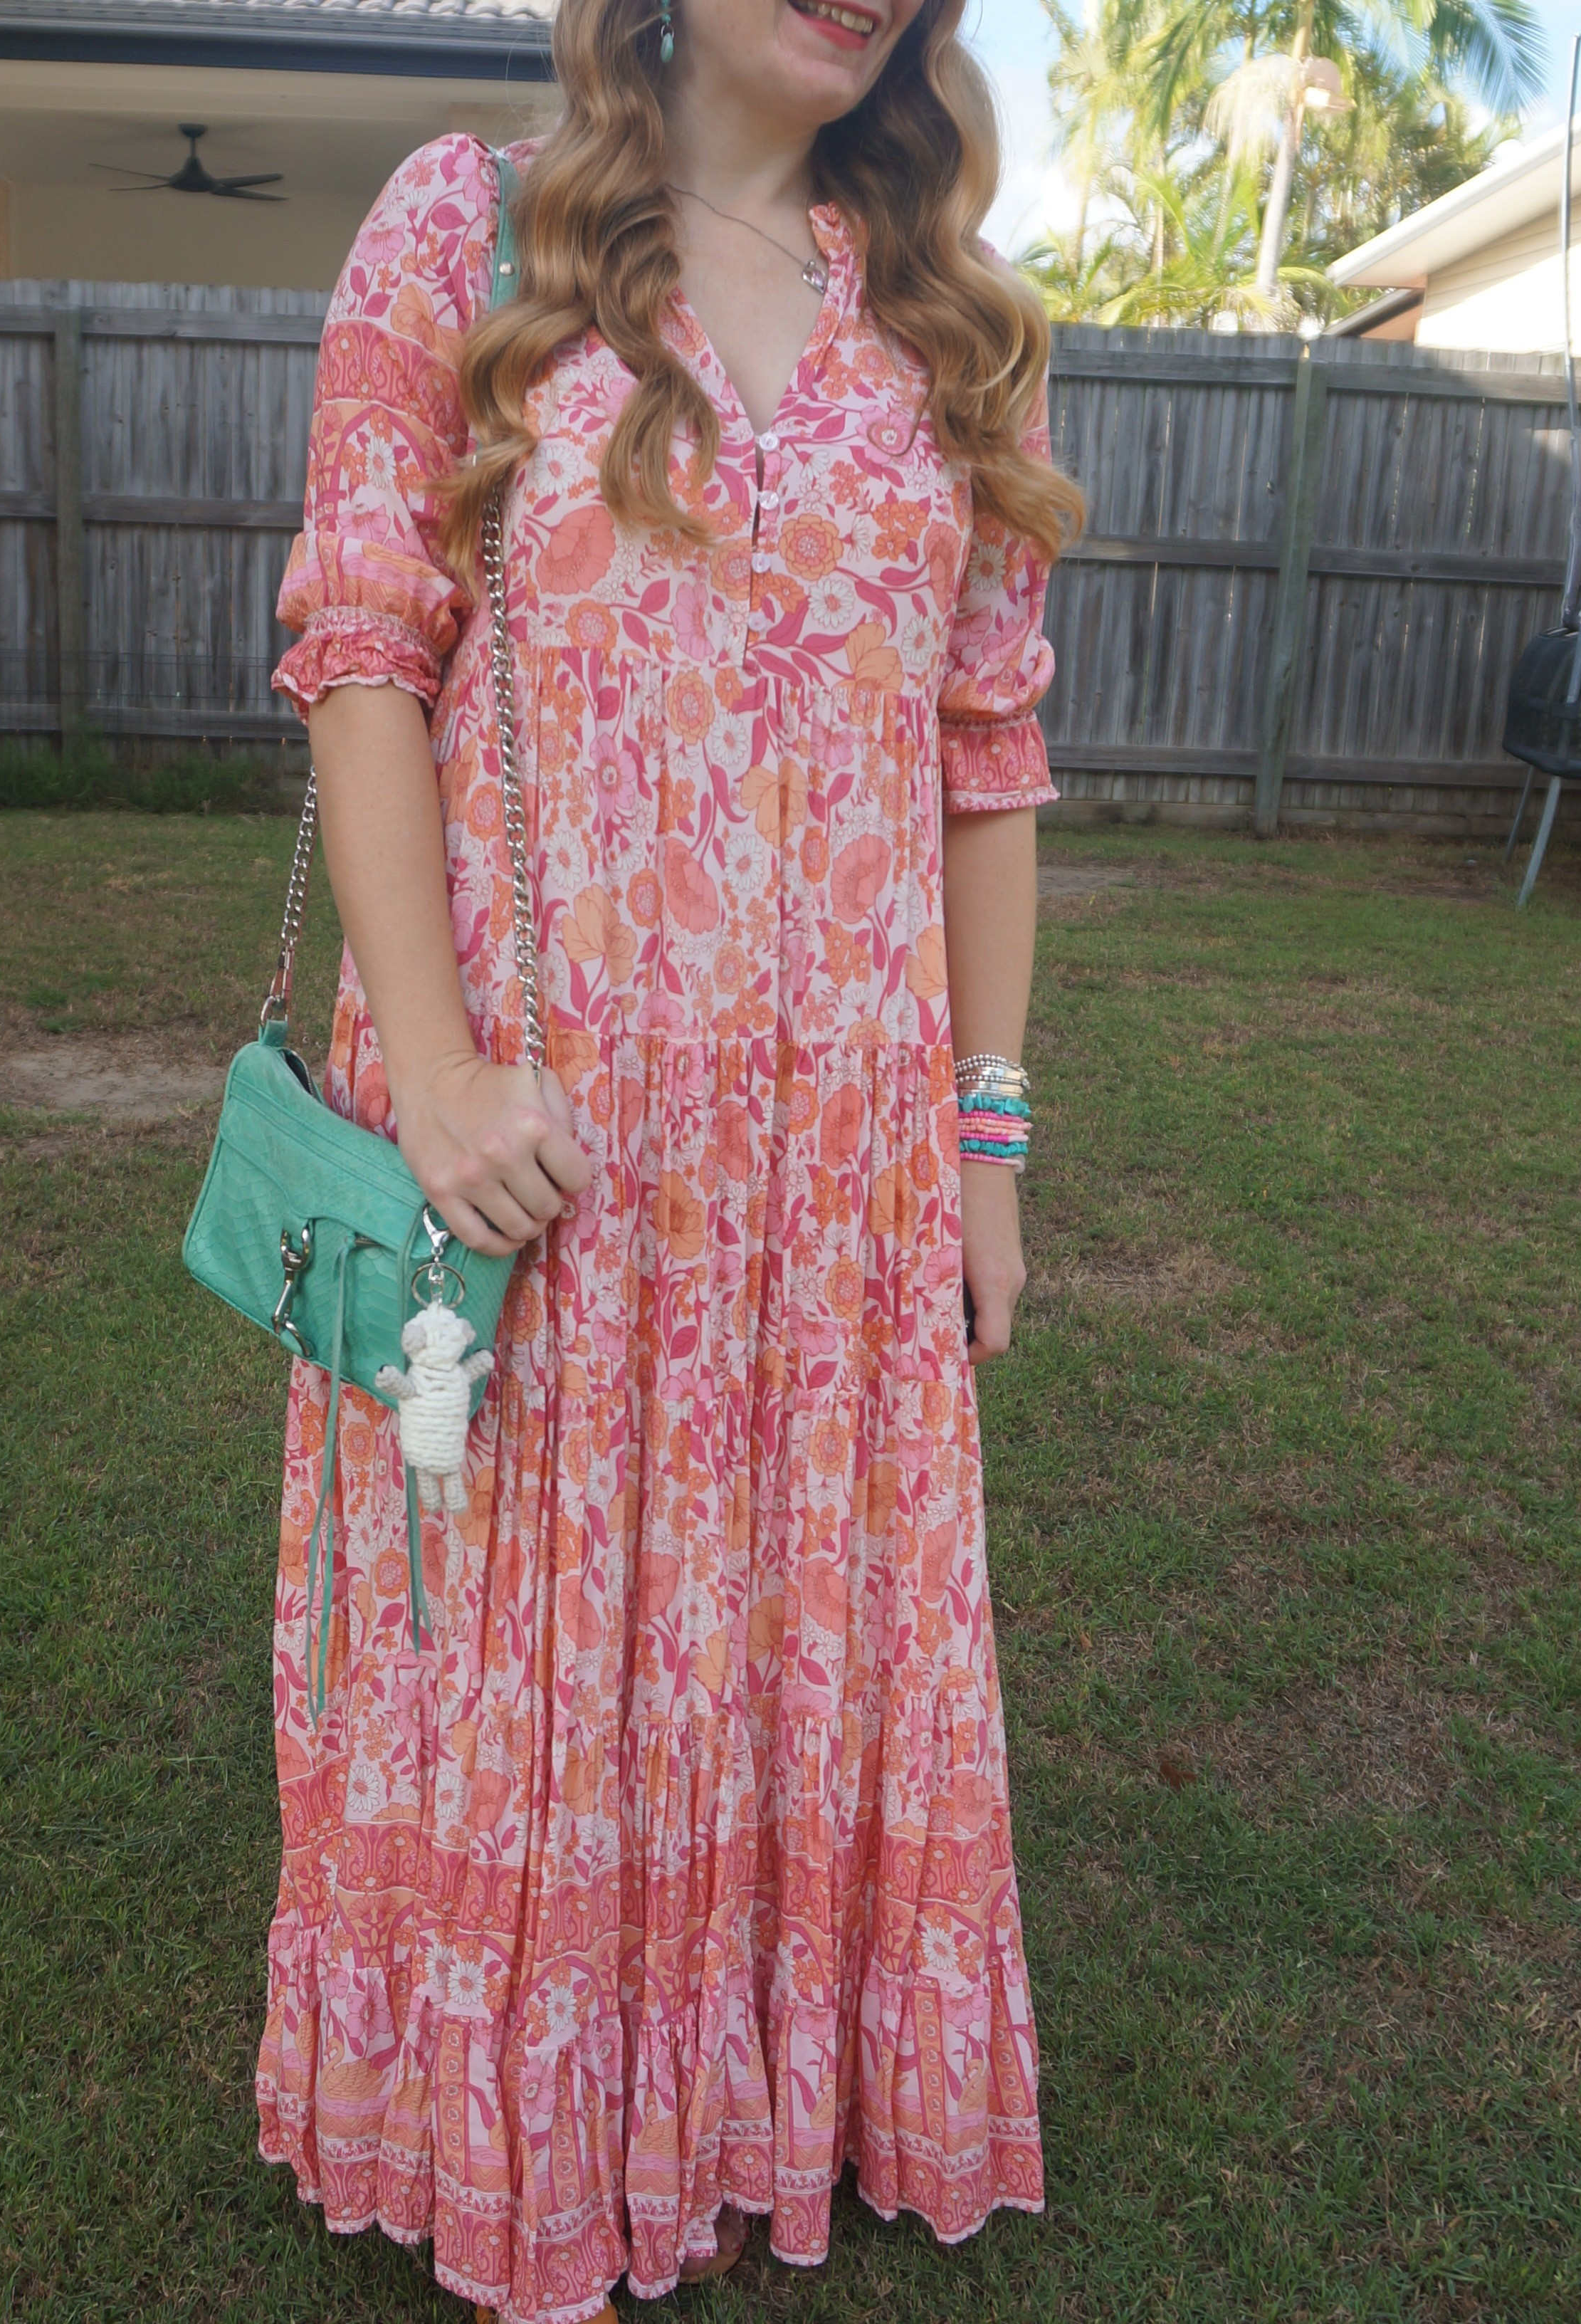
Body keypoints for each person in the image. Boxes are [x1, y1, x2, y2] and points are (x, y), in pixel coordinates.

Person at [255, 0, 1082, 2313]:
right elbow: (363, 656)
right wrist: (435, 1074)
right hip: (545, 1158)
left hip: (835, 1187)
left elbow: (987, 763)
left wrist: (986, 1146)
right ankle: (527, 2128)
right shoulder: (468, 230)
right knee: (525, 1670)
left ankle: (743, 2108)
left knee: (785, 1655)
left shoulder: (951, 327)